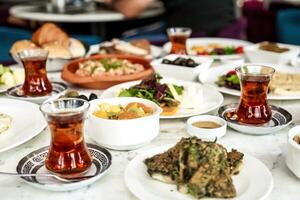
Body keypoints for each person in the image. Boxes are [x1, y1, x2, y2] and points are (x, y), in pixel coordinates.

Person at [102, 0, 236, 36]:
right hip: (231, 33)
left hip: (190, 37)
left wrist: (110, 2)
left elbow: (129, 9)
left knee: (124, 37)